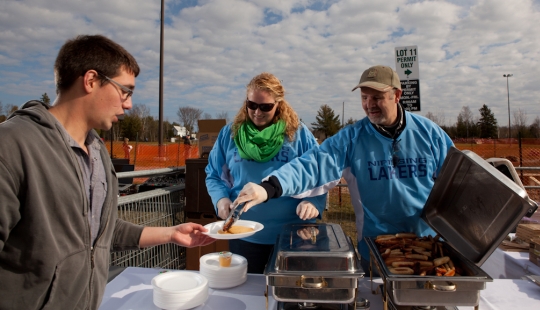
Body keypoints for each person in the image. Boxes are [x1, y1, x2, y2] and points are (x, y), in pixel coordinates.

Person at [0, 34, 215, 309]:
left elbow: (101, 232)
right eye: (125, 91)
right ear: (90, 80)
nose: (128, 104)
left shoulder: (98, 152)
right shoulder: (11, 145)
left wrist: (171, 233)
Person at [232, 65, 454, 273]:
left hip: (428, 247)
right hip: (378, 250)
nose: (369, 104)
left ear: (397, 96)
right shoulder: (352, 138)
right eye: (364, 97)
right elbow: (314, 164)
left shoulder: (430, 134)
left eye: (377, 97)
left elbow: (456, 184)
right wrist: (269, 187)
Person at [205, 72, 327, 273]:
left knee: (290, 296)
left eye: (265, 107)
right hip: (243, 234)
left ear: (278, 104)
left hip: (294, 235)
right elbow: (214, 174)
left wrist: (314, 202)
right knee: (248, 294)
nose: (257, 112)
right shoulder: (230, 133)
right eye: (251, 105)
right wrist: (220, 199)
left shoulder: (298, 133)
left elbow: (320, 172)